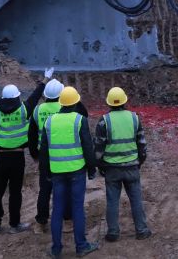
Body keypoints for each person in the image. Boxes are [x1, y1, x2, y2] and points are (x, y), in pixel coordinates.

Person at [0, 70, 46, 235]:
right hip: (17, 157)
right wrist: (45, 79)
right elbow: (35, 96)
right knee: (15, 192)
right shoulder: (24, 110)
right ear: (17, 97)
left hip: (1, 156)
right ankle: (14, 224)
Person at [40, 86, 99, 257]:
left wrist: (47, 172)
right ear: (75, 103)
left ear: (61, 103)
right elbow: (88, 147)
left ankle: (56, 249)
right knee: (77, 208)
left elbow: (44, 151)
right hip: (76, 171)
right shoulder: (80, 120)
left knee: (57, 209)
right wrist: (92, 169)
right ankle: (81, 246)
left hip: (57, 172)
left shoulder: (49, 121)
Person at [29, 77, 90, 234]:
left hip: (45, 156)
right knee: (67, 190)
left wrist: (35, 155)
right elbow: (85, 114)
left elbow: (32, 135)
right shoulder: (69, 107)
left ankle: (41, 222)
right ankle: (67, 221)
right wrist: (72, 96)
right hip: (66, 155)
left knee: (44, 190)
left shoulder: (38, 110)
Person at [95, 87, 152, 242]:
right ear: (124, 101)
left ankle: (113, 232)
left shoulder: (104, 121)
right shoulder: (134, 118)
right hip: (132, 167)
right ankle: (142, 230)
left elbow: (98, 149)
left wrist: (100, 166)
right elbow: (142, 145)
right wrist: (139, 162)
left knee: (112, 201)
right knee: (136, 199)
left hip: (112, 169)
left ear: (109, 103)